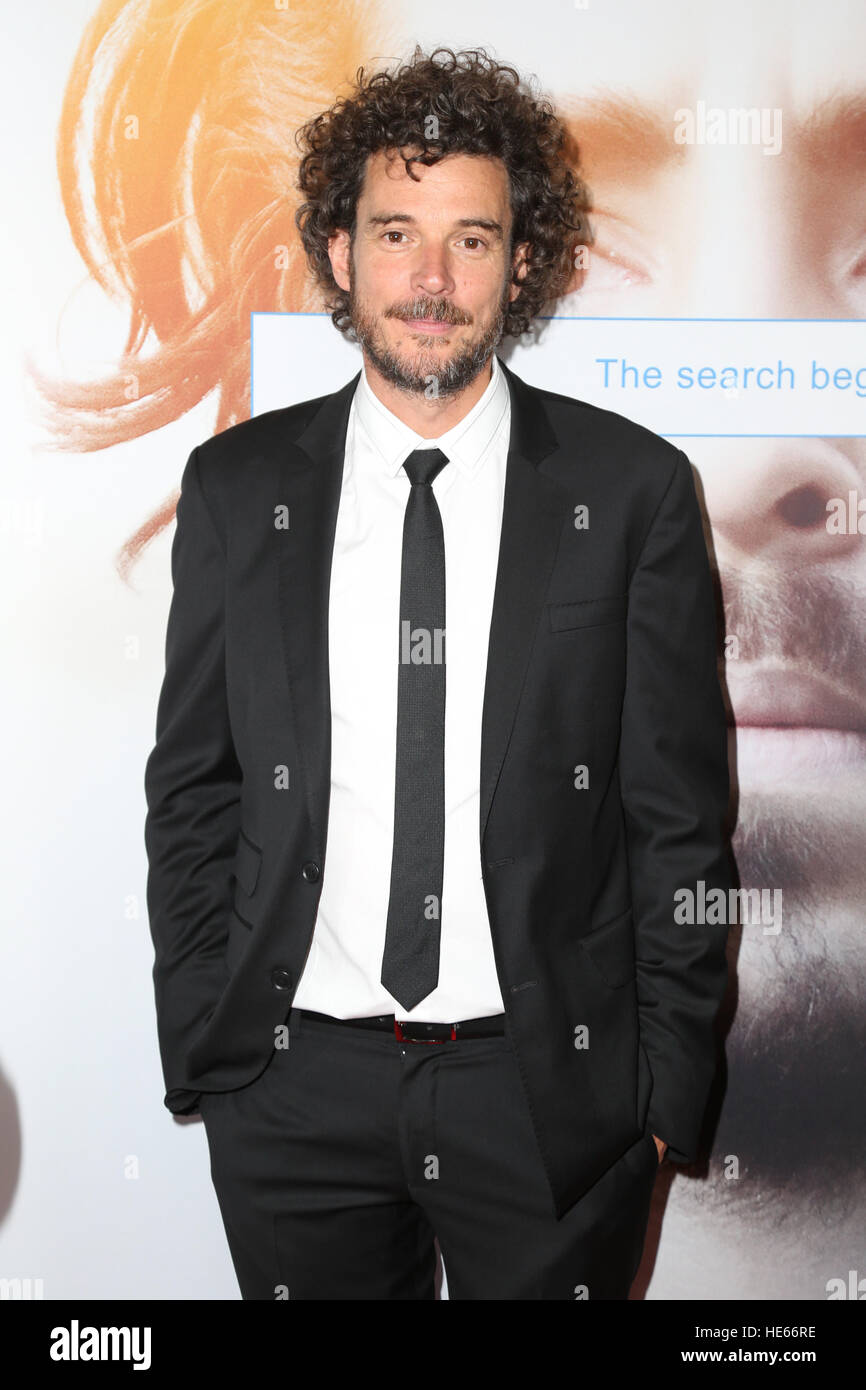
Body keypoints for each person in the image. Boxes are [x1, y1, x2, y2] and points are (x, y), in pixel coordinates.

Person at [143, 46, 732, 1300]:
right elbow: (194, 782)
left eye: (470, 239)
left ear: (520, 263)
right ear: (340, 253)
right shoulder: (239, 492)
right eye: (394, 232)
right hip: (293, 1094)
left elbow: (679, 823)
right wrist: (212, 1041)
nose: (427, 278)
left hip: (546, 1097)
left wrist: (664, 1091)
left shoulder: (630, 495)